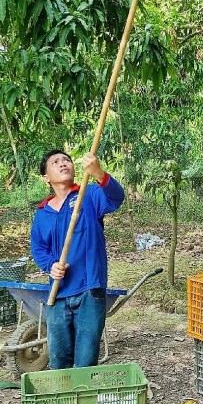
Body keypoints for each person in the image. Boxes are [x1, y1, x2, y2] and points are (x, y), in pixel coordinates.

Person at [30, 149, 125, 369]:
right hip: (58, 293)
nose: (63, 163)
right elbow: (39, 248)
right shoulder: (42, 212)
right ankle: (62, 392)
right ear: (46, 177)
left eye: (66, 160)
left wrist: (99, 173)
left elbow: (116, 197)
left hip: (90, 289)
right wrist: (51, 266)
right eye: (55, 162)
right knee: (58, 360)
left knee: (85, 360)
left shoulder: (88, 195)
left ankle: (84, 392)